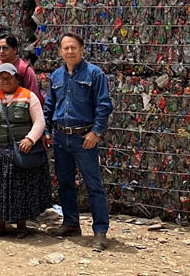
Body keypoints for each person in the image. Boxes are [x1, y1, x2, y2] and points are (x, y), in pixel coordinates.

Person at [43, 32, 114, 251]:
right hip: (61, 136)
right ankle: (71, 223)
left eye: (74, 47)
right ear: (60, 52)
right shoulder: (56, 76)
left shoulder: (95, 74)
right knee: (64, 183)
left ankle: (100, 231)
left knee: (94, 185)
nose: (70, 52)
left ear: (82, 49)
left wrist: (96, 133)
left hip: (84, 139)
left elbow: (104, 105)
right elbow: (49, 105)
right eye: (66, 48)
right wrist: (46, 130)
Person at [0, 63, 50, 238]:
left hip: (20, 152)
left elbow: (40, 122)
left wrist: (30, 139)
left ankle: (21, 224)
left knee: (21, 188)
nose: (6, 81)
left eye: (9, 77)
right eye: (2, 78)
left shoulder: (29, 97)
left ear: (17, 78)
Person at [0, 34, 44, 104]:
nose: (1, 51)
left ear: (15, 49)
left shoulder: (25, 70)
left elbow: (35, 99)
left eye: (5, 48)